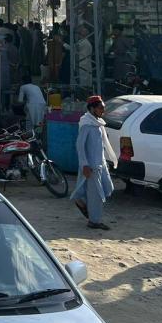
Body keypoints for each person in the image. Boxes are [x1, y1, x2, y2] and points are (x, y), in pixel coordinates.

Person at [70, 96, 117, 230]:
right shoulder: (86, 124)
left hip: (100, 164)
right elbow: (80, 145)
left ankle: (81, 201)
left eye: (103, 107)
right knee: (96, 195)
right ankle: (94, 221)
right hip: (91, 166)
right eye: (100, 107)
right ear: (92, 108)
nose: (103, 110)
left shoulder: (98, 124)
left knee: (108, 188)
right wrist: (84, 164)